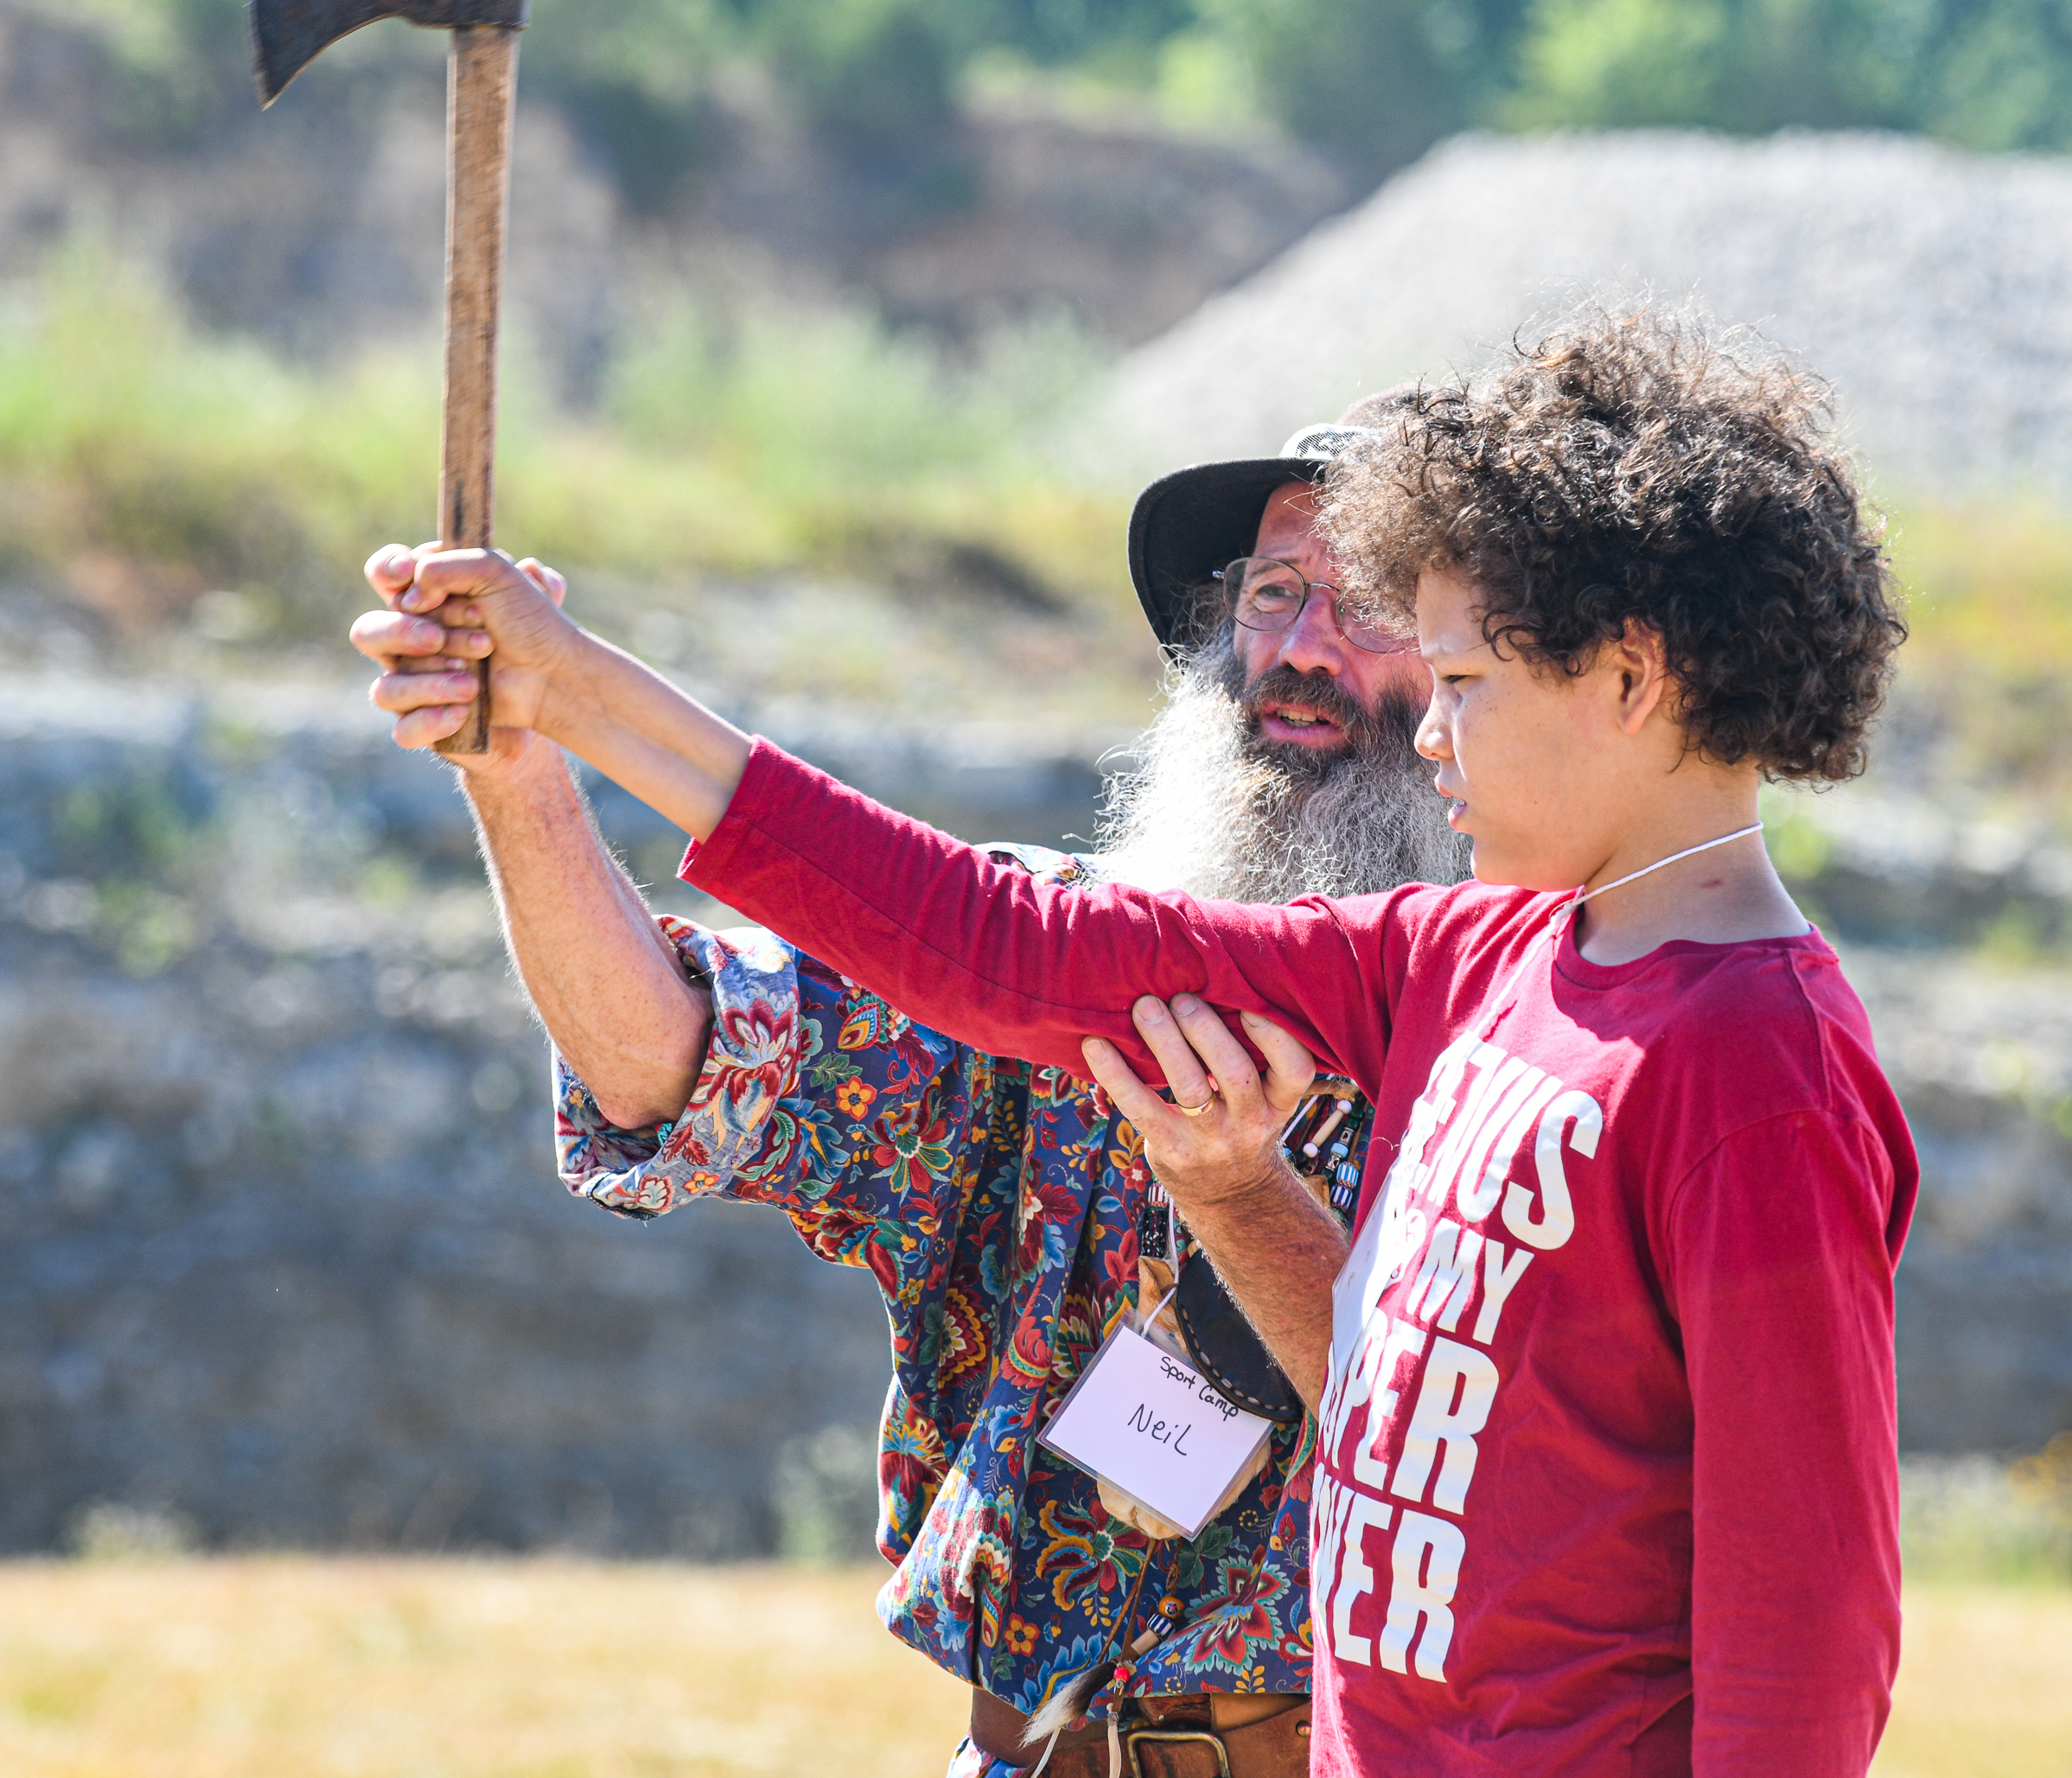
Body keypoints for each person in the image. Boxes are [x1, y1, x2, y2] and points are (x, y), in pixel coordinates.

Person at [356, 308, 1917, 1775]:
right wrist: (564, 710)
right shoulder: (1477, 954)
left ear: (1629, 677)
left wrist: (1242, 1202)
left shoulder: (1753, 1076)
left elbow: (1801, 1648)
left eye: (1444, 670)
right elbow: (989, 954)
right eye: (1271, 600)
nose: (1407, 714)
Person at [351, 398, 1463, 1778]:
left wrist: (1242, 1192)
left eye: (1366, 612)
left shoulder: (1527, 1041)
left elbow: (1461, 1445)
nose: (1299, 652)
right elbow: (666, 1063)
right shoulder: (1034, 973)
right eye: (1275, 594)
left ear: (1480, 672)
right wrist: (522, 772)